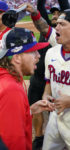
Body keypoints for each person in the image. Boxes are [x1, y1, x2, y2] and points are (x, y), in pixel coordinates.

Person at [0, 27, 54, 150]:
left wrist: (28, 111)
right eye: (32, 51)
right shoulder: (10, 89)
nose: (38, 56)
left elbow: (2, 121)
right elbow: (13, 142)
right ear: (16, 58)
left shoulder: (0, 77)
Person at [26, 4, 70, 150]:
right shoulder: (52, 52)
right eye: (56, 24)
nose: (56, 27)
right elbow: (48, 84)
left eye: (62, 24)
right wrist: (46, 96)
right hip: (55, 117)